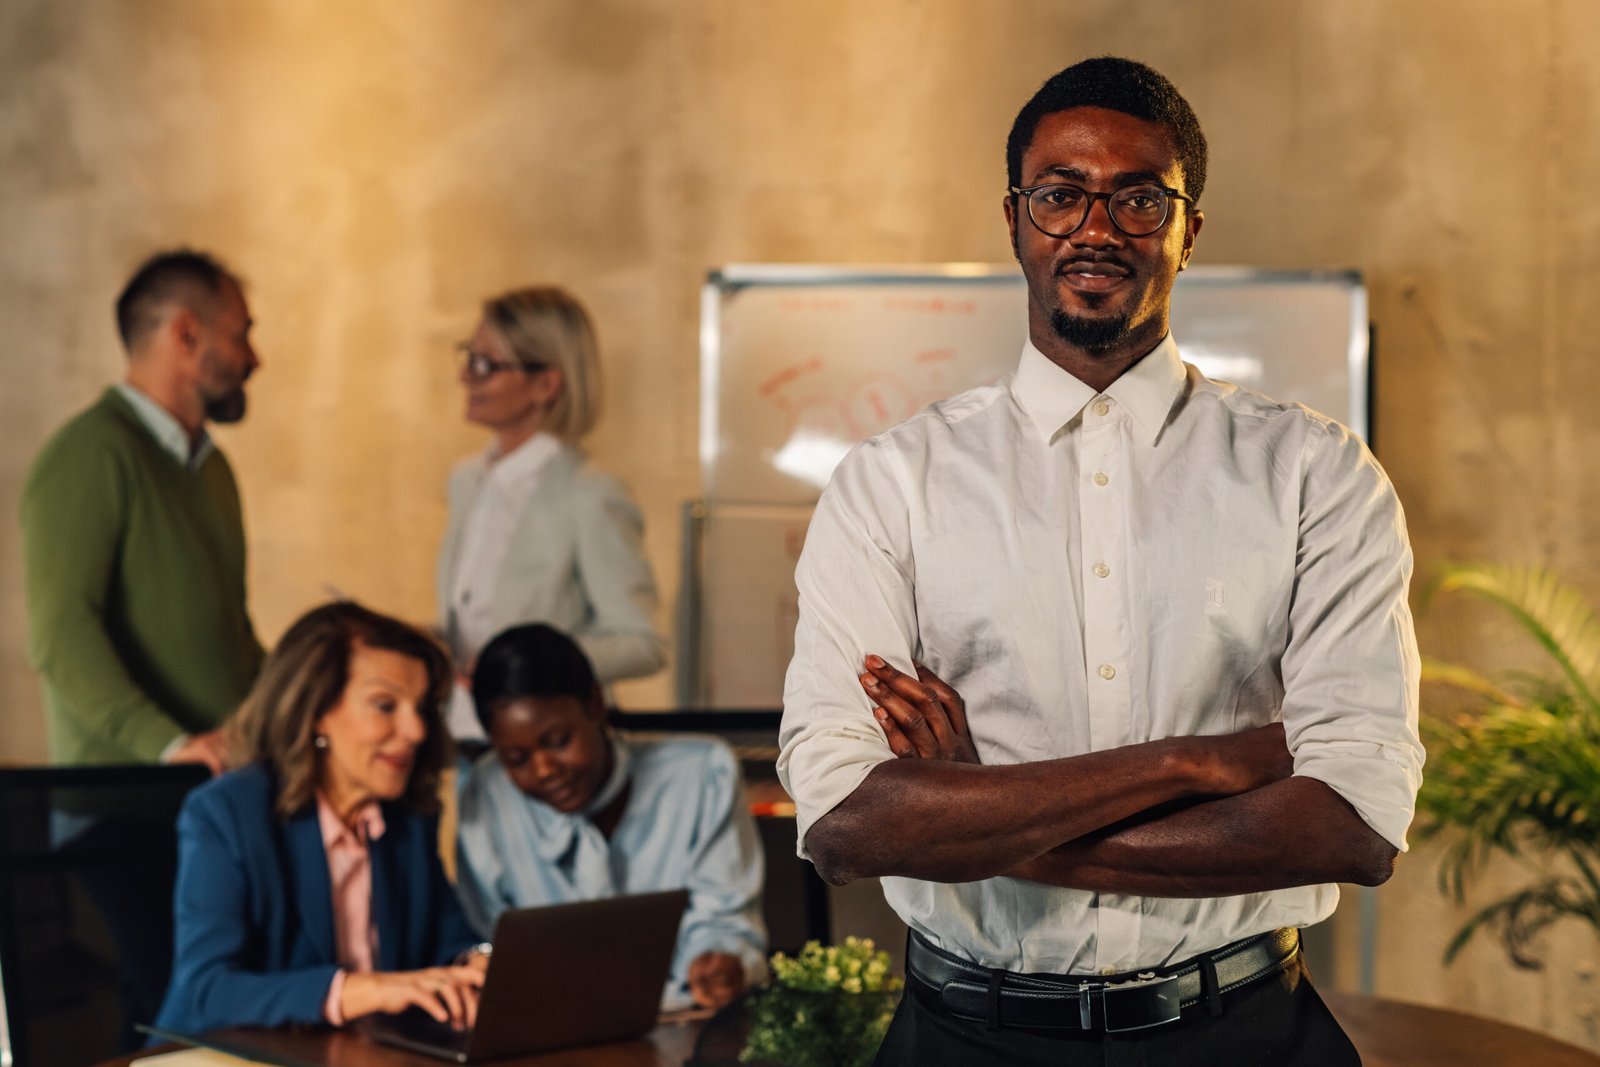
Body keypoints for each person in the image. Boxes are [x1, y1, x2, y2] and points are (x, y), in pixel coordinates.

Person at [779, 57, 1423, 1065]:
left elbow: (1350, 822)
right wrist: (1190, 764)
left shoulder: (1315, 473)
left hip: (1242, 1033)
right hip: (962, 1040)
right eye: (1059, 195)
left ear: (1187, 228)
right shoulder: (890, 483)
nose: (1095, 225)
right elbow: (847, 819)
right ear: (1014, 219)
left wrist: (976, 818)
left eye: (1137, 197)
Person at [153, 602, 487, 1036]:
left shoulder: (409, 818)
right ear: (316, 712)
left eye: (423, 708)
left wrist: (475, 963)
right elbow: (208, 989)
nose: (417, 731)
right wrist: (363, 991)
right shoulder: (225, 813)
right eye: (386, 705)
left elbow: (449, 941)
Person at [21, 248, 264, 772]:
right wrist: (168, 746)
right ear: (187, 335)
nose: (254, 359)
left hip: (213, 789)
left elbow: (231, 635)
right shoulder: (89, 454)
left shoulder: (213, 470)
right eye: (241, 334)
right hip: (122, 803)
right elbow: (61, 635)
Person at [454, 623, 766, 1011]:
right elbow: (484, 930)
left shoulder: (701, 776)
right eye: (516, 759)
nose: (544, 769)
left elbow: (724, 920)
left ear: (595, 704)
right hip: (545, 1027)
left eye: (558, 741)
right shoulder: (487, 794)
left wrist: (720, 963)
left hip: (679, 1018)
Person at [436, 286, 665, 741]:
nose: (465, 376)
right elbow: (481, 620)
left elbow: (643, 644)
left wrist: (528, 664)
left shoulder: (590, 494)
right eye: (467, 356)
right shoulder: (466, 481)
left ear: (546, 384)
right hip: (469, 735)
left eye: (485, 364)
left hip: (555, 747)